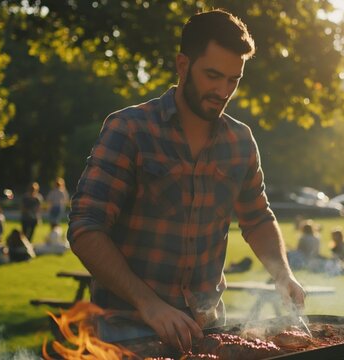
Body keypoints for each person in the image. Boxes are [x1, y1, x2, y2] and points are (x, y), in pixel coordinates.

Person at [67, 10, 304, 352]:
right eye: (212, 75)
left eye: (233, 80)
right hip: (125, 331)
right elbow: (86, 228)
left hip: (206, 331)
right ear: (182, 65)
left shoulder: (240, 142)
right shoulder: (130, 129)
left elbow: (257, 218)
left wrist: (284, 275)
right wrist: (149, 304)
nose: (223, 90)